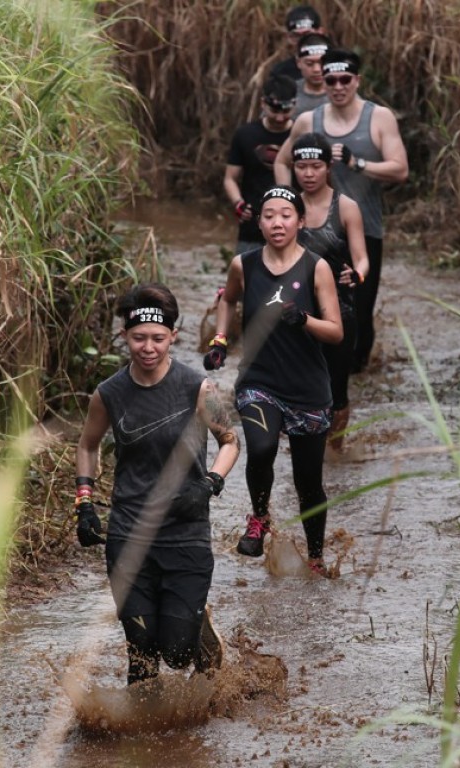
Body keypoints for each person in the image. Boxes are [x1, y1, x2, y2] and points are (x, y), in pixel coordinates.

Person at [75, 283, 240, 686]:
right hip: (129, 532)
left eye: (157, 338)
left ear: (173, 337)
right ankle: (136, 742)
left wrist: (210, 483)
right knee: (141, 649)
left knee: (176, 653)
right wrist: (84, 503)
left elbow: (231, 442)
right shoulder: (109, 394)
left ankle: (198, 633)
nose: (148, 347)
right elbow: (87, 445)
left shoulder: (198, 389)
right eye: (138, 338)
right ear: (125, 337)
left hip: (185, 533)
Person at [202, 185, 342, 575]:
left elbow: (336, 331)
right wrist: (219, 340)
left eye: (285, 215)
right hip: (259, 381)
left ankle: (316, 559)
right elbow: (228, 299)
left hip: (309, 388)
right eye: (268, 215)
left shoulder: (317, 267)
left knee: (308, 483)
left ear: (301, 221)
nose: (277, 222)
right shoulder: (243, 265)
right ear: (259, 222)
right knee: (260, 448)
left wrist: (305, 320)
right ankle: (259, 518)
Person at [274, 48, 409, 373]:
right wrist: (285, 203)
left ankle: (355, 375)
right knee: (308, 304)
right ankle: (317, 379)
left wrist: (356, 162)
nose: (337, 86)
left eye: (344, 79)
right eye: (331, 79)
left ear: (357, 80)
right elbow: (282, 160)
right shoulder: (310, 120)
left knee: (359, 310)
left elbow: (401, 170)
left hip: (364, 229)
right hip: (314, 229)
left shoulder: (379, 117)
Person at [292, 132, 369, 452]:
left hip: (340, 307)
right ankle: (302, 444)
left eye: (315, 166)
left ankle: (334, 449)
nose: (308, 174)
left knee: (337, 384)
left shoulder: (347, 206)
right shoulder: (286, 206)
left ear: (328, 167)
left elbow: (362, 257)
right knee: (297, 382)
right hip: (295, 309)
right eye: (301, 166)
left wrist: (359, 274)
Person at [224, 74, 297, 255]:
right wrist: (238, 204)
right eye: (275, 110)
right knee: (247, 280)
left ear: (295, 105)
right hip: (253, 224)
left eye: (286, 111)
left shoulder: (301, 135)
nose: (280, 117)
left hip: (293, 225)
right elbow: (230, 178)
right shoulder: (245, 134)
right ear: (263, 103)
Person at [270, 5, 325, 81]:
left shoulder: (339, 63)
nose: (302, 40)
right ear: (288, 38)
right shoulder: (281, 72)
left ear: (320, 32)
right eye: (296, 36)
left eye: (307, 34)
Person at [292, 33, 331, 119]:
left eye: (322, 63)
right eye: (309, 64)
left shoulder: (343, 93)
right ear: (299, 62)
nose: (316, 69)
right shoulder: (288, 92)